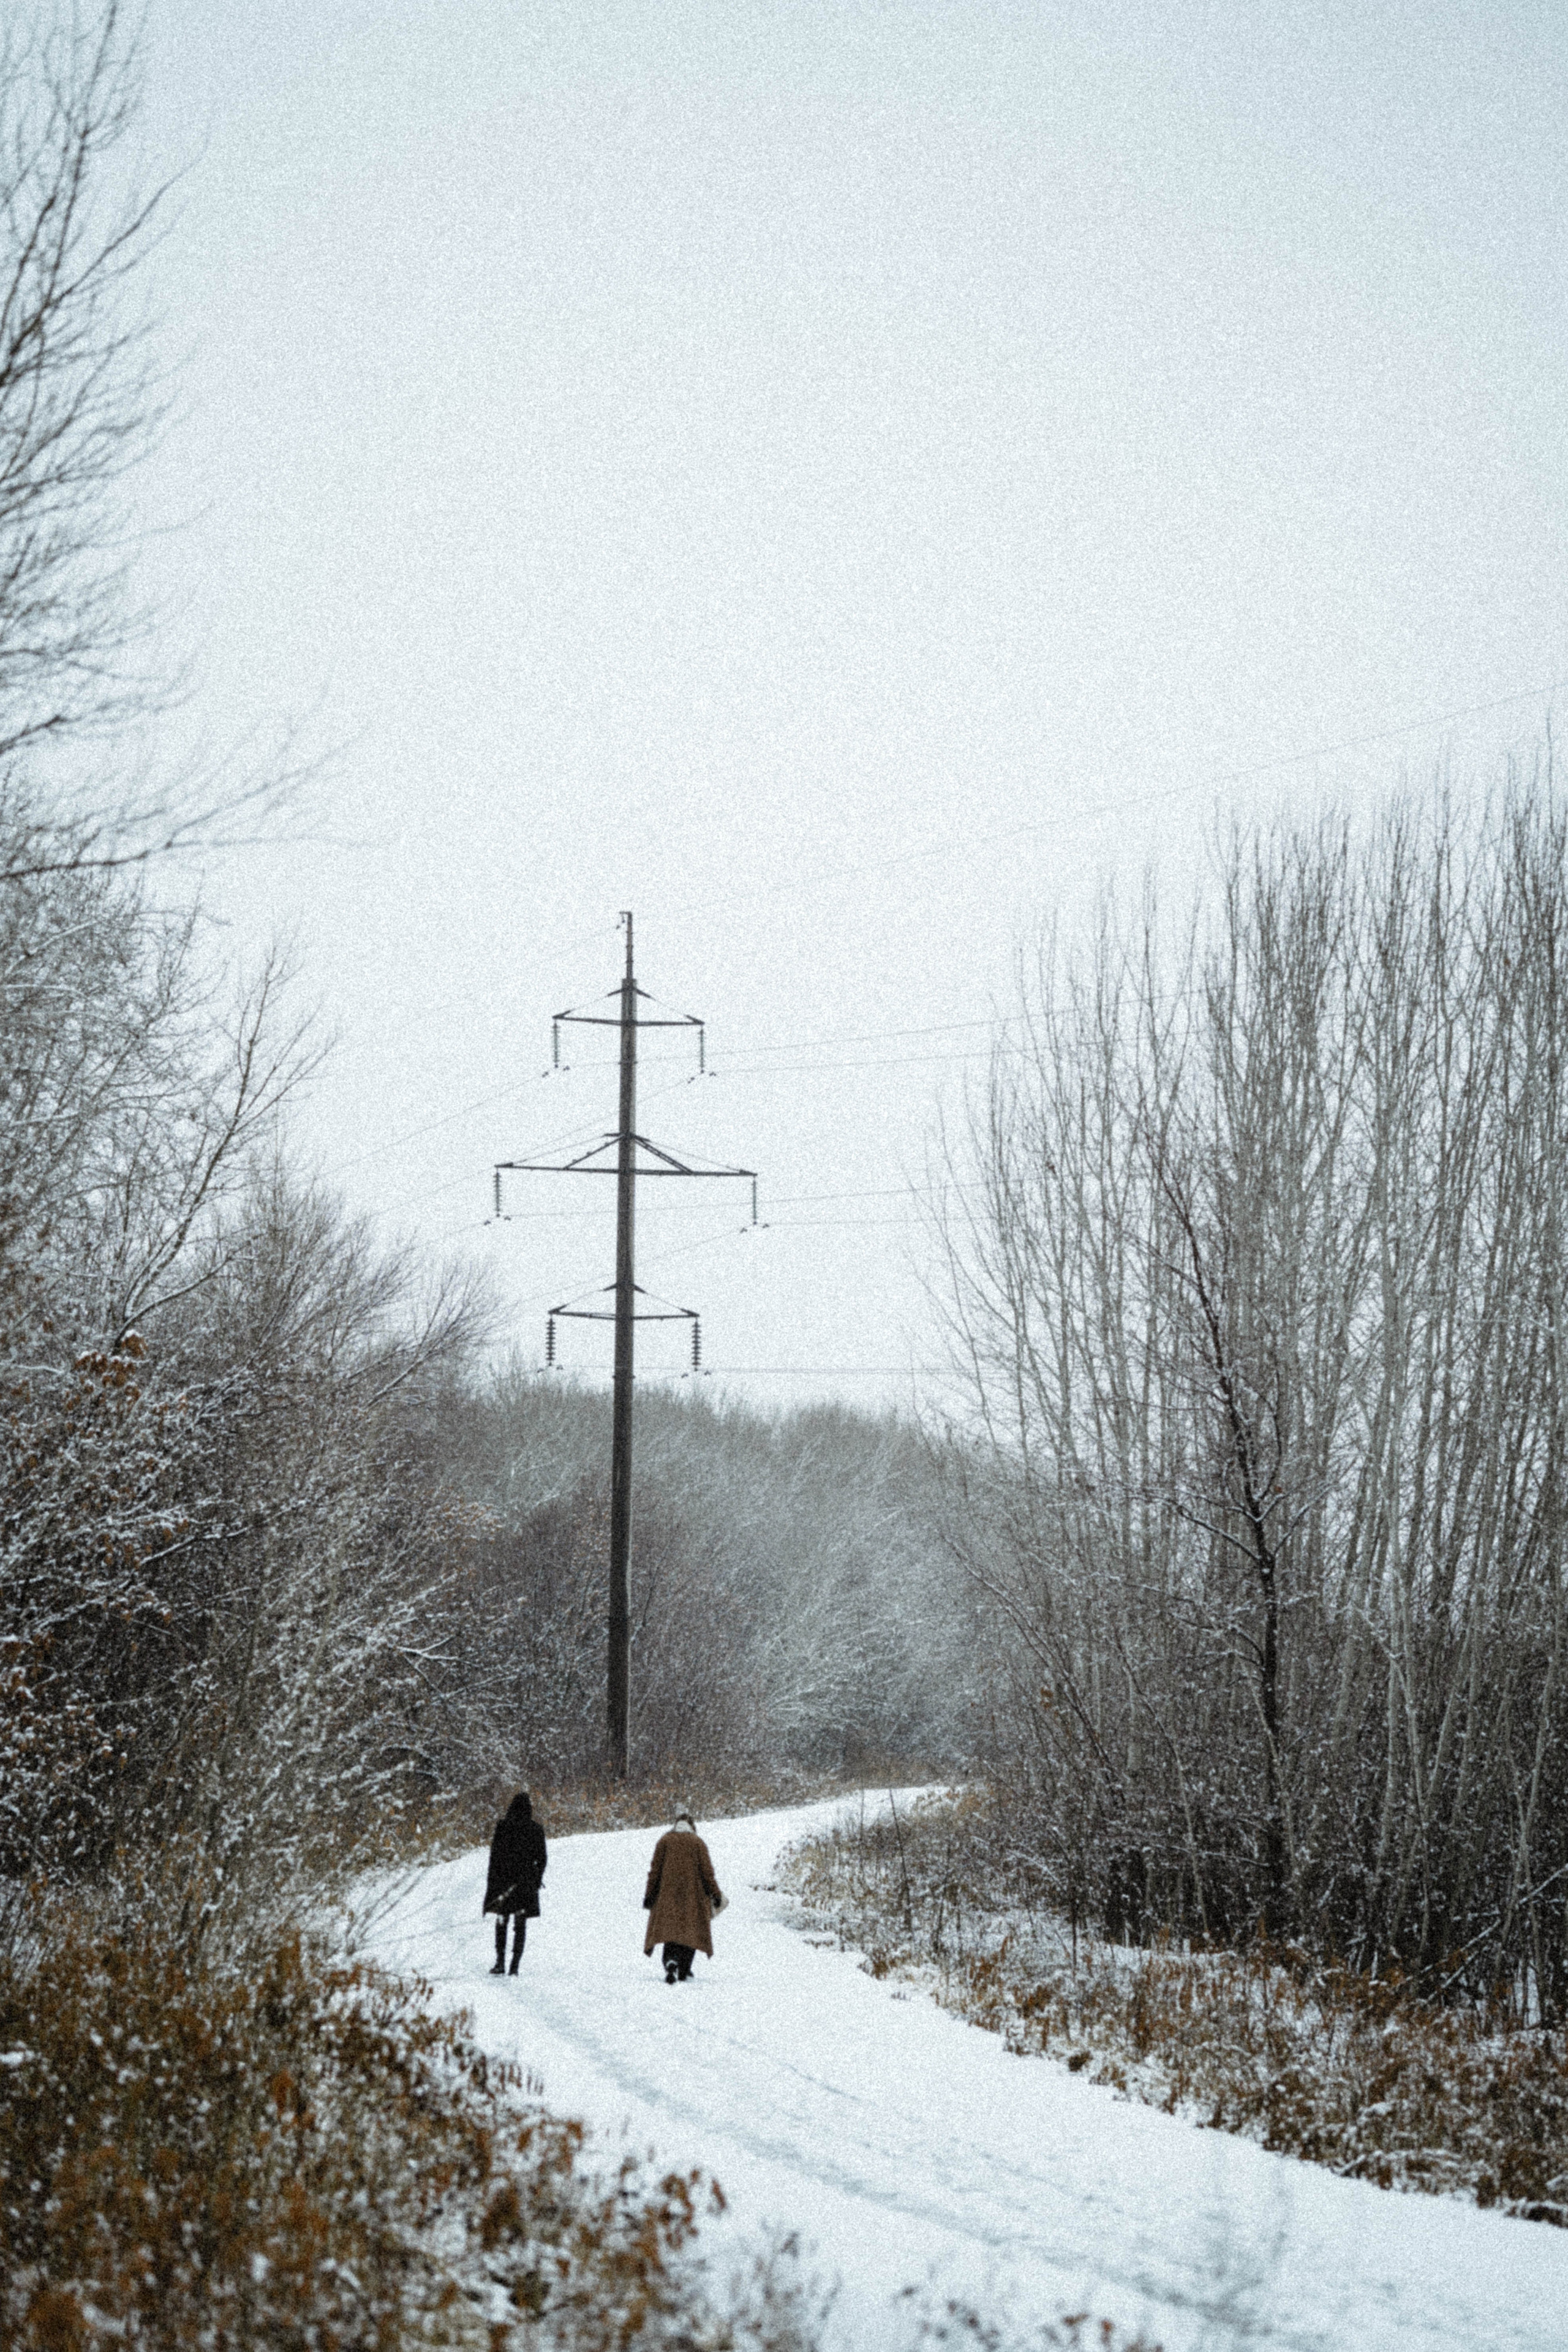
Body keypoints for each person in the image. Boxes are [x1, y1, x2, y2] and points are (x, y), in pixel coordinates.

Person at [642, 1809, 725, 1981]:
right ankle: (685, 1968)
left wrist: (649, 1895)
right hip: (693, 1898)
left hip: (667, 1897)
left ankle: (671, 1962)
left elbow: (654, 1872)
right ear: (692, 1826)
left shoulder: (664, 1841)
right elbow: (708, 1874)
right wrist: (716, 1894)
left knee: (670, 1933)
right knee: (690, 1933)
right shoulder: (698, 1843)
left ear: (676, 1825)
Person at [483, 1790, 547, 1973]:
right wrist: (536, 1879)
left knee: (502, 1922)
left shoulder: (502, 1827)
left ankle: (500, 1962)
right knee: (521, 1925)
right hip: (525, 1885)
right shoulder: (536, 1829)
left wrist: (492, 1886)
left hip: (504, 1883)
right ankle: (515, 1966)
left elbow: (494, 1859)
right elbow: (542, 1859)